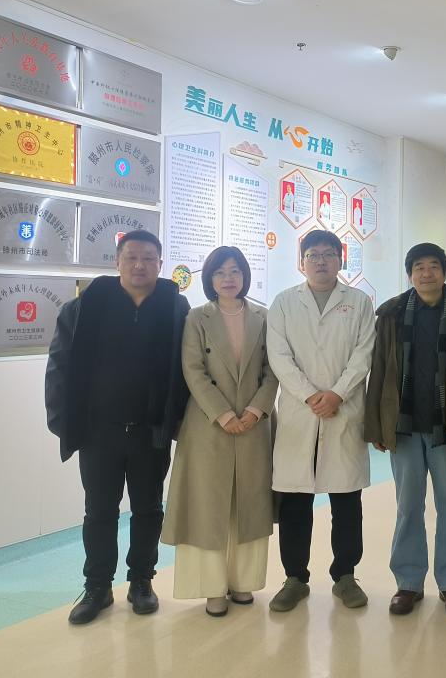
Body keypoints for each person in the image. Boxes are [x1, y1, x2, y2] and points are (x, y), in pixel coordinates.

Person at [45, 230, 189, 625]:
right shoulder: (87, 305)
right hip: (99, 431)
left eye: (148, 258)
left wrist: (179, 422)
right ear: (117, 261)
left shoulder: (176, 308)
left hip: (150, 431)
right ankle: (97, 587)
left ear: (160, 263)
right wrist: (61, 419)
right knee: (99, 511)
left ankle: (141, 580)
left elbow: (187, 368)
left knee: (148, 509)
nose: (139, 265)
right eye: (131, 257)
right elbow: (59, 364)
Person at [365, 242, 446, 616]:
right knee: (408, 507)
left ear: (444, 272)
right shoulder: (390, 314)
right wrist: (376, 424)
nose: (426, 273)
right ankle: (408, 583)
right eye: (419, 267)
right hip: (404, 427)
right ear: (410, 274)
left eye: (433, 266)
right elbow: (379, 369)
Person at [160, 246, 278, 616]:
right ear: (210, 279)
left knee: (249, 504)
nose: (228, 278)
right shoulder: (197, 317)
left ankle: (243, 582)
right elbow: (193, 370)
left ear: (245, 275)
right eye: (220, 272)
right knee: (209, 507)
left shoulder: (263, 316)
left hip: (254, 425)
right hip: (209, 425)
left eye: (235, 271)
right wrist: (225, 415)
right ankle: (211, 587)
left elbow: (273, 370)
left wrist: (255, 411)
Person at [266, 229, 376, 611]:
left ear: (340, 260)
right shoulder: (284, 302)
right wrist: (311, 396)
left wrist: (337, 394)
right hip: (300, 414)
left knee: (346, 502)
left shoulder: (359, 302)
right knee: (295, 504)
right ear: (302, 262)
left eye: (329, 254)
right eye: (313, 254)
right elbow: (278, 356)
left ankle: (345, 576)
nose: (321, 261)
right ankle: (295, 578)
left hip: (343, 411)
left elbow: (364, 354)